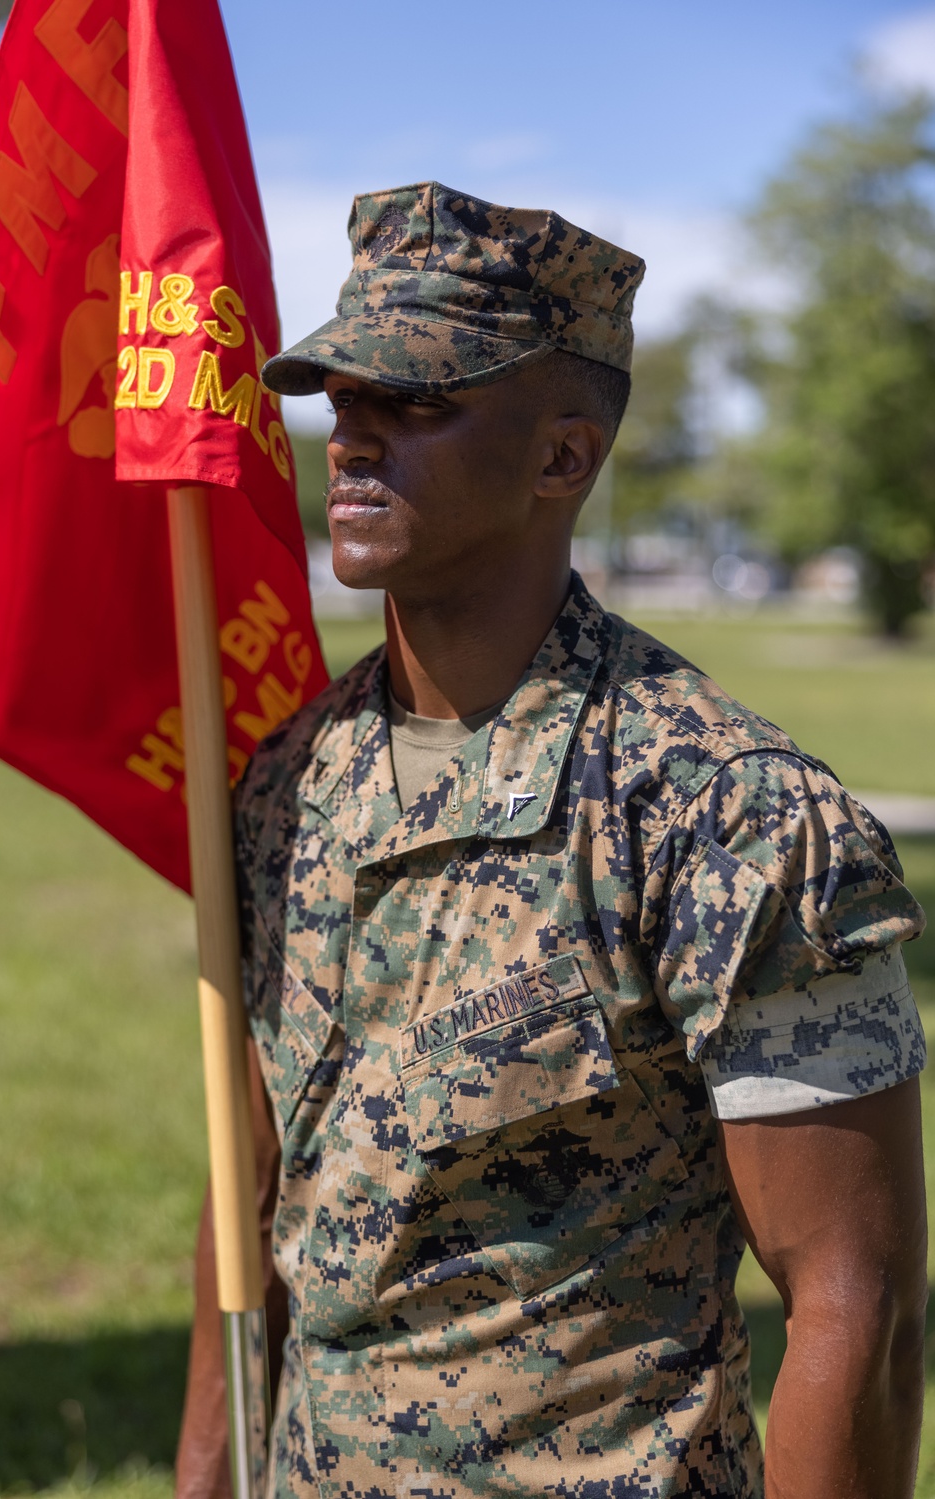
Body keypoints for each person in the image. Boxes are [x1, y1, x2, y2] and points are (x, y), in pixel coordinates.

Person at [176, 182, 928, 1499]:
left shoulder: (726, 814)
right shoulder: (292, 778)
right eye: (344, 399)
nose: (350, 439)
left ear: (562, 458)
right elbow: (253, 1198)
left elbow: (853, 1307)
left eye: (416, 402)